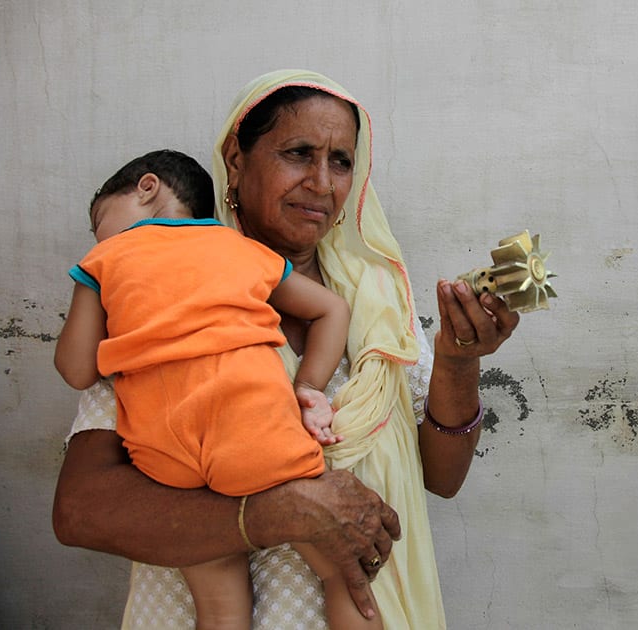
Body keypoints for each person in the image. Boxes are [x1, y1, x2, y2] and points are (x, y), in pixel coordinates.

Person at [52, 69, 520, 629]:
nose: (322, 183)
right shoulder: (160, 291)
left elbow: (441, 479)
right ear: (235, 160)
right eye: (299, 153)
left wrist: (457, 358)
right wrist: (268, 513)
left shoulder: (377, 303)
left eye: (341, 161)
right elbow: (80, 510)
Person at [53, 149, 380, 628]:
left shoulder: (105, 258)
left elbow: (77, 369)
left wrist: (95, 281)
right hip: (254, 431)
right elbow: (332, 310)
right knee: (339, 576)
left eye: (99, 221)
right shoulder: (242, 250)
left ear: (147, 187)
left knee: (221, 608)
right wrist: (308, 386)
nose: (98, 236)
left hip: (165, 453)